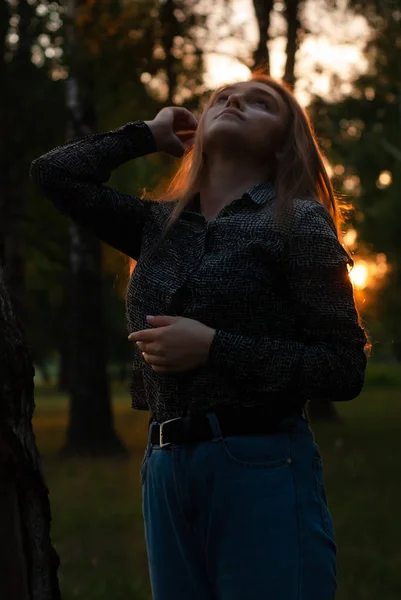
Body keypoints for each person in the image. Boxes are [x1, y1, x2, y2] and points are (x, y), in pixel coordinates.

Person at [30, 71, 368, 600]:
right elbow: (53, 174)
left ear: (284, 146)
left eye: (261, 104)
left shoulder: (298, 221)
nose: (234, 100)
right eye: (222, 98)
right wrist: (147, 133)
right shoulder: (157, 223)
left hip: (261, 463)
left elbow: (343, 367)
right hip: (164, 467)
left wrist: (213, 346)